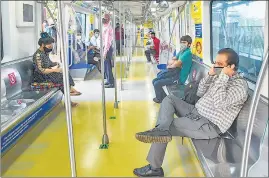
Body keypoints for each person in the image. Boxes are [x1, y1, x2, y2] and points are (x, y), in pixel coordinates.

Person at [133, 48, 249, 177]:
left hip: (208, 124)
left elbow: (219, 103)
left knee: (165, 128)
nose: (216, 66)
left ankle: (154, 168)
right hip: (196, 111)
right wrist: (210, 76)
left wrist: (223, 78)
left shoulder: (239, 87)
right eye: (215, 62)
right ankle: (161, 129)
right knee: (169, 100)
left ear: (232, 67)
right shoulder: (219, 77)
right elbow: (200, 92)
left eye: (220, 64)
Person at [32, 32, 81, 107]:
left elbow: (49, 63)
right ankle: (69, 91)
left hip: (48, 74)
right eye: (49, 44)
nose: (51, 46)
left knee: (65, 73)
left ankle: (69, 90)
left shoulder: (45, 53)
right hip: (41, 77)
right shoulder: (38, 55)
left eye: (51, 44)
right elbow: (41, 70)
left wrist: (55, 64)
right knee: (61, 77)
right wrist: (54, 70)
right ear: (42, 45)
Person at [152, 35, 193, 103]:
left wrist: (174, 63)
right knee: (154, 81)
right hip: (174, 74)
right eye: (181, 42)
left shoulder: (187, 53)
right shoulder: (181, 52)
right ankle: (164, 98)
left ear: (189, 44)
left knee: (157, 83)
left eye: (184, 42)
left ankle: (160, 99)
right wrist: (174, 63)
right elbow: (171, 61)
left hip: (179, 78)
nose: (182, 44)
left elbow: (174, 64)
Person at [102, 13, 115, 88]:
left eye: (105, 18)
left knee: (107, 66)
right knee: (106, 65)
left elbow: (107, 41)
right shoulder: (104, 27)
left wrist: (105, 52)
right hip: (106, 48)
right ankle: (109, 80)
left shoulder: (108, 28)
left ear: (108, 19)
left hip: (107, 48)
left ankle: (111, 82)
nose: (103, 19)